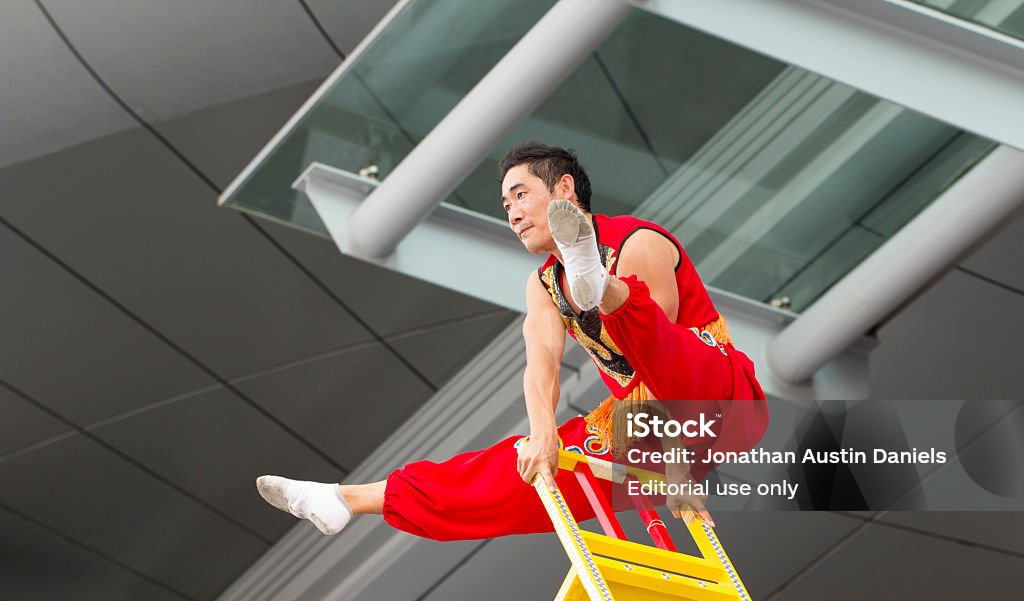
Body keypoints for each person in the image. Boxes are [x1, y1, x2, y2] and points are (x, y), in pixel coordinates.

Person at [256, 141, 767, 539]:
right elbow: (541, 364)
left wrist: (677, 469)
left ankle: (604, 286)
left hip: (720, 395)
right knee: (511, 473)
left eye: (521, 195)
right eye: (505, 205)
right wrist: (543, 435)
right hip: (641, 429)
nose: (512, 213)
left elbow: (665, 366)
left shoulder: (639, 241)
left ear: (565, 189)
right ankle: (347, 500)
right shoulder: (542, 284)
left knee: (647, 339)